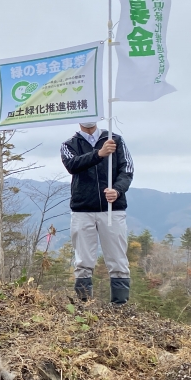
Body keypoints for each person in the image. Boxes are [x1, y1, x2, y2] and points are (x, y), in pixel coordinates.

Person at [61, 122, 134, 304]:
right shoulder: (70, 144)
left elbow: (127, 170)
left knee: (117, 259)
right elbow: (72, 165)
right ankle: (84, 305)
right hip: (82, 209)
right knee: (83, 261)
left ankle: (119, 307)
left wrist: (117, 190)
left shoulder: (115, 140)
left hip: (112, 209)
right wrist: (99, 154)